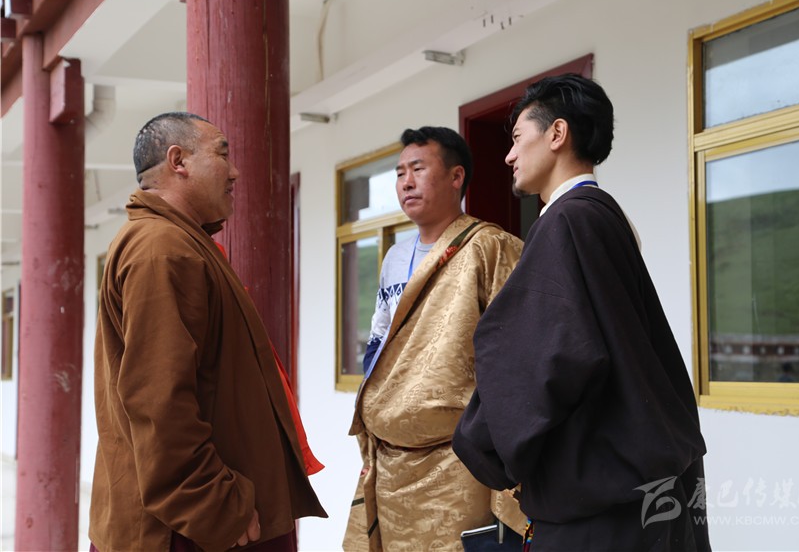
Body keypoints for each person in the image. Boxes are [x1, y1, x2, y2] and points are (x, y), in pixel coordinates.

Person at [452, 74, 711, 551]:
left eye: (517, 138)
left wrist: (481, 442)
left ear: (557, 133)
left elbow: (542, 354)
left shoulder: (567, 220)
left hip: (599, 502)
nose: (508, 155)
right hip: (645, 482)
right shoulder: (607, 215)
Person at [89, 112, 326, 552]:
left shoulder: (182, 242)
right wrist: (213, 505)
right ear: (178, 161)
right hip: (191, 527)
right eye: (222, 154)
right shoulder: (161, 248)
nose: (234, 172)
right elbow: (158, 399)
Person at [343, 127, 526, 551]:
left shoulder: (490, 247)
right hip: (390, 456)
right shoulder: (394, 257)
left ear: (456, 176)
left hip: (457, 459)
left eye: (418, 169)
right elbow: (379, 343)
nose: (405, 182)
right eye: (399, 173)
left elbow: (514, 355)